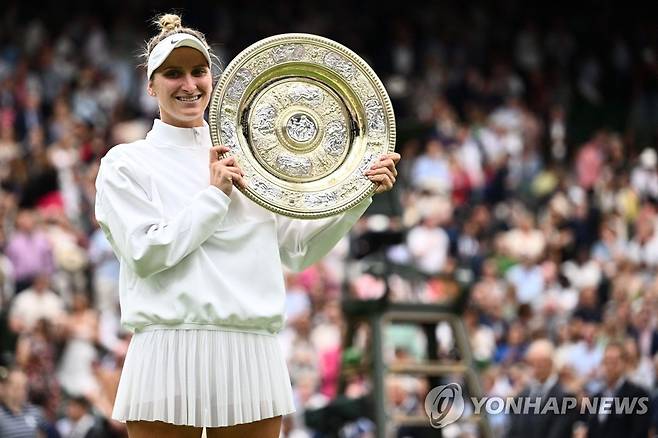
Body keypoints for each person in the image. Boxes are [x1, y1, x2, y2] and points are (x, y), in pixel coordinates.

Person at [94, 13, 400, 438]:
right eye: (172, 73)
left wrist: (357, 196)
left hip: (250, 348)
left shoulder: (253, 156)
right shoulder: (125, 163)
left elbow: (297, 250)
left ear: (212, 78)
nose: (189, 84)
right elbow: (147, 254)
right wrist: (215, 195)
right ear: (151, 85)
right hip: (167, 345)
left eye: (199, 71)